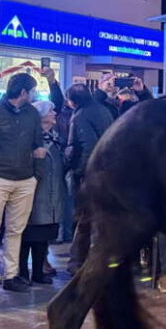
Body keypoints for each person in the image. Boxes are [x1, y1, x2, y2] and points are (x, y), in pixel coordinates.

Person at [0, 73, 45, 297]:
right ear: (24, 92)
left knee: (16, 230)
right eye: (33, 90)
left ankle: (10, 275)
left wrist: (36, 175)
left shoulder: (32, 113)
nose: (34, 94)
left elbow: (38, 145)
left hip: (25, 179)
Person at [64, 83, 114, 273]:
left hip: (90, 174)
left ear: (73, 100)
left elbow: (87, 145)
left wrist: (80, 172)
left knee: (83, 218)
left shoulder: (81, 115)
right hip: (107, 170)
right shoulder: (103, 110)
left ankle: (77, 261)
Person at [21, 101, 65, 285]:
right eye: (51, 111)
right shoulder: (32, 138)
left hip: (52, 195)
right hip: (35, 193)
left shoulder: (55, 138)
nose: (55, 113)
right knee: (29, 234)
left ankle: (38, 272)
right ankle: (22, 272)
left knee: (44, 235)